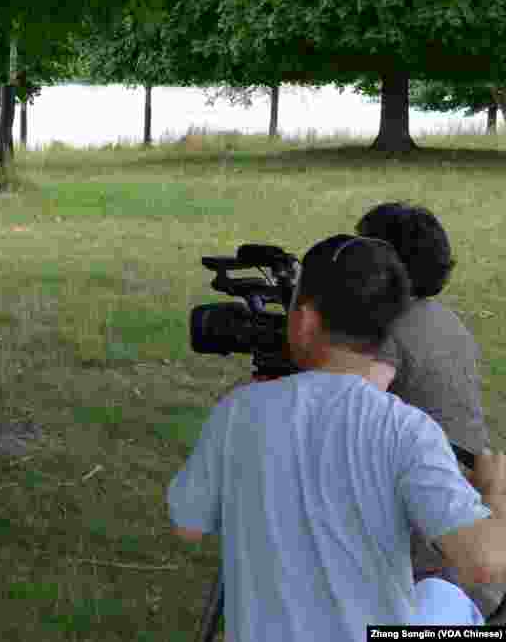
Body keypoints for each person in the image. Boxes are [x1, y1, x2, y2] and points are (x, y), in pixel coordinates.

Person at [168, 233, 506, 640]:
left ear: (305, 320)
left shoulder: (238, 411)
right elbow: (482, 563)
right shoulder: (408, 431)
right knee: (446, 600)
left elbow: (188, 525)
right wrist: (494, 496)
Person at [357, 202, 503, 618]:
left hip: (425, 528)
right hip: (468, 496)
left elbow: (353, 407)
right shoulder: (449, 322)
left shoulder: (389, 332)